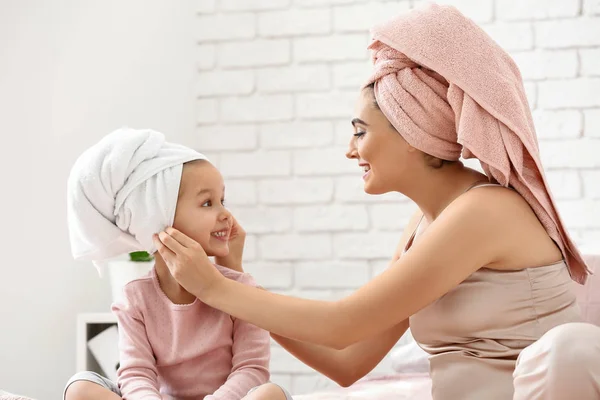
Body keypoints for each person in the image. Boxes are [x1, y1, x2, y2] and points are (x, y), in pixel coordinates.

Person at [153, 4, 600, 400]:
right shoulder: (425, 225)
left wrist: (216, 288)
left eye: (360, 131)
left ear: (413, 133)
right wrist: (235, 281)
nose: (350, 150)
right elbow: (348, 361)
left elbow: (343, 324)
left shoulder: (486, 211)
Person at [64, 128, 291, 400]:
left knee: (269, 394)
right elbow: (136, 374)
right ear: (159, 221)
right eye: (208, 203)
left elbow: (251, 369)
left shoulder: (242, 290)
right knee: (80, 387)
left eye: (222, 201)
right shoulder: (135, 298)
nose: (225, 214)